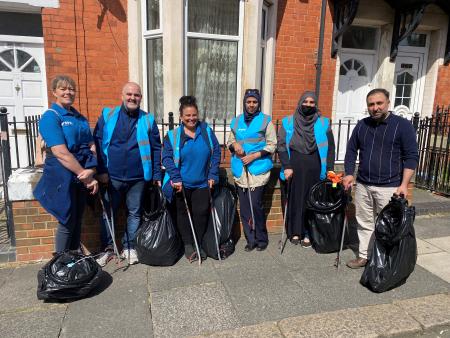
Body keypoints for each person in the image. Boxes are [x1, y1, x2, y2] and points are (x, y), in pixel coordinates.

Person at [343, 88, 418, 268]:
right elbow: (351, 150)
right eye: (371, 104)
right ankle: (364, 256)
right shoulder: (362, 125)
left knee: (388, 225)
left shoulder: (403, 125)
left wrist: (404, 185)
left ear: (388, 103)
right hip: (363, 184)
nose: (375, 107)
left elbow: (411, 156)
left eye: (379, 103)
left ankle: (386, 260)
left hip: (390, 186)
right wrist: (348, 174)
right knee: (364, 222)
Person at [94, 82, 162, 266]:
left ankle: (129, 246)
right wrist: (100, 171)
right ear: (122, 95)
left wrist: (156, 175)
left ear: (141, 98)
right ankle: (107, 248)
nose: (133, 98)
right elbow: (98, 144)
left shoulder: (147, 119)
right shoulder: (108, 115)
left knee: (135, 213)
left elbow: (156, 148)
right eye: (129, 94)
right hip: (111, 176)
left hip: (138, 177)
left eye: (136, 95)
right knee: (108, 213)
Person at [34, 75, 98, 254]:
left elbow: (91, 145)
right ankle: (60, 262)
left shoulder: (79, 117)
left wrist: (91, 170)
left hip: (80, 174)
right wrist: (84, 175)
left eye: (71, 89)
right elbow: (60, 152)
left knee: (77, 218)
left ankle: (74, 258)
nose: (68, 92)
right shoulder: (50, 117)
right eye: (63, 89)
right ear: (54, 92)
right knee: (66, 218)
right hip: (62, 174)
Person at [162, 96, 221, 262]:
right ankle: (188, 244)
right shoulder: (173, 136)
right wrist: (175, 177)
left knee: (201, 214)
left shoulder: (206, 131)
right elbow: (166, 157)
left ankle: (198, 242)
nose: (191, 118)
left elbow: (216, 152)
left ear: (198, 115)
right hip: (182, 184)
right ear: (181, 117)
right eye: (187, 115)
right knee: (183, 214)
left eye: (194, 115)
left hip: (202, 182)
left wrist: (213, 174)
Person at [277, 91, 335, 247]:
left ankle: (309, 232)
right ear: (300, 102)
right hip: (294, 165)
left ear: (315, 104)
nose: (308, 105)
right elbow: (281, 145)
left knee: (312, 199)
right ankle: (296, 231)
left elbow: (330, 148)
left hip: (315, 165)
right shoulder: (288, 121)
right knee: (296, 199)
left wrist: (330, 169)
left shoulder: (323, 122)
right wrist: (286, 166)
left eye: (312, 102)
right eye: (306, 101)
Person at [227, 89, 276, 252]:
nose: (251, 105)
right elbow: (230, 141)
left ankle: (261, 239)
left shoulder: (266, 121)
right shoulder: (236, 121)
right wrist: (235, 145)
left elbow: (272, 145)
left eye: (255, 102)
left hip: (257, 170)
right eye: (249, 102)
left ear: (259, 103)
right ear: (244, 102)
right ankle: (250, 239)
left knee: (256, 205)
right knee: (245, 207)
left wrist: (254, 155)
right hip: (241, 170)